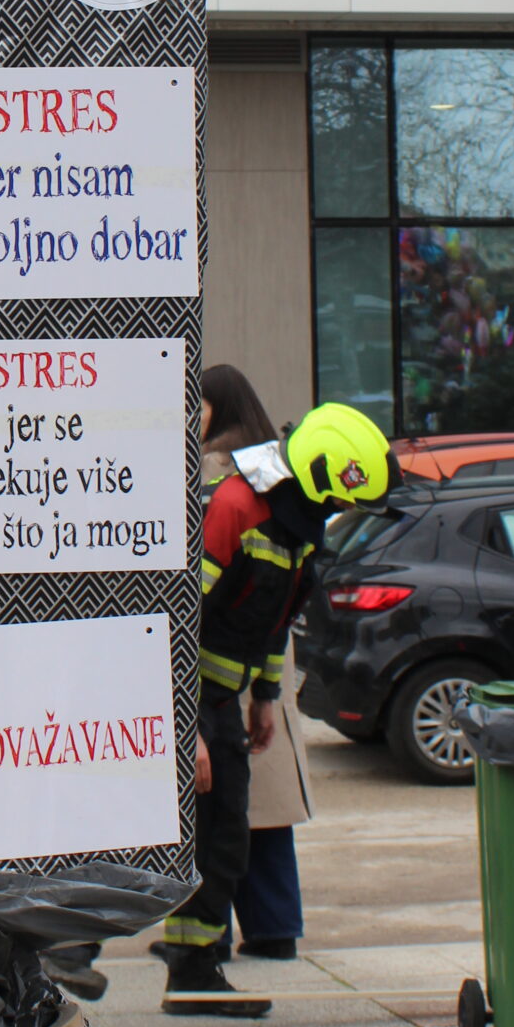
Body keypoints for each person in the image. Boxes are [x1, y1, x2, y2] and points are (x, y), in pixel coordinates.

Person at [160, 401, 396, 1017]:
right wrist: (184, 730)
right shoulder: (236, 509)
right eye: (341, 499)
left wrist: (265, 698)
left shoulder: (292, 527)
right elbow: (174, 620)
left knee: (225, 837)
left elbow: (273, 619)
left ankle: (193, 968)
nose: (340, 512)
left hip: (222, 700)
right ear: (318, 478)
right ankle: (185, 971)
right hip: (190, 702)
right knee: (206, 836)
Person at [198, 364, 315, 966]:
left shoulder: (217, 476)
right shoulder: (281, 471)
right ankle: (274, 925)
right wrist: (268, 693)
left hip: (216, 671)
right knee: (261, 810)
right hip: (261, 662)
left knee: (216, 812)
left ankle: (207, 936)